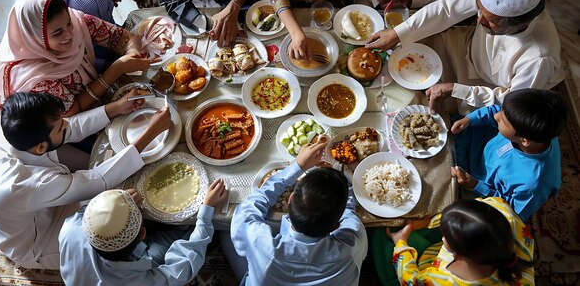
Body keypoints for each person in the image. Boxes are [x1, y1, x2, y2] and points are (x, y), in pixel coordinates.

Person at [0, 92, 171, 269]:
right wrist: (149, 134)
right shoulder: (23, 185)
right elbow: (97, 181)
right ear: (41, 147)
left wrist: (115, 108)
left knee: (111, 171)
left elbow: (68, 127)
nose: (66, 124)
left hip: (32, 203)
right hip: (40, 241)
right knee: (120, 216)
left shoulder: (14, 123)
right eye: (61, 127)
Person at [367, 0, 563, 115]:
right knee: (400, 55)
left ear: (517, 25)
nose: (478, 21)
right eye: (479, 12)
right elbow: (448, 9)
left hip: (488, 87)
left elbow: (513, 101)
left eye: (489, 21)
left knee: (419, 108)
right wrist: (398, 33)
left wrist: (456, 89)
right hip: (463, 48)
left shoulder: (539, 58)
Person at [229, 136, 368, 285]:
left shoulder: (261, 245)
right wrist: (337, 181)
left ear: (290, 199)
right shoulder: (353, 246)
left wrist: (297, 166)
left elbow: (248, 208)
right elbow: (349, 212)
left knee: (225, 232)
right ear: (336, 226)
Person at [0, 0, 157, 116]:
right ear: (35, 38)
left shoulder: (77, 22)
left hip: (97, 85)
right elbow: (74, 110)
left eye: (68, 24)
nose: (69, 35)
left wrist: (133, 53)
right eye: (57, 33)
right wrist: (117, 69)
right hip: (72, 124)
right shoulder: (33, 79)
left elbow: (123, 38)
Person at [59, 181, 229, 285]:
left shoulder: (70, 230)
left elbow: (88, 212)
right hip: (134, 274)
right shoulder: (141, 283)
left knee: (166, 240)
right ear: (143, 234)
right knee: (194, 234)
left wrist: (117, 203)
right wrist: (207, 210)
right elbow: (186, 263)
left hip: (121, 267)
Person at [450, 89, 568, 220]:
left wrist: (475, 186)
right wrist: (470, 119)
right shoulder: (533, 129)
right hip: (483, 149)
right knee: (448, 127)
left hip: (484, 185)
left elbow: (510, 211)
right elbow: (497, 112)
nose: (496, 116)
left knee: (456, 209)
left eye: (503, 122)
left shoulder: (533, 184)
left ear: (524, 140)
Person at [385, 197, 535, 285]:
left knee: (381, 243)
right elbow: (465, 214)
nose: (443, 237)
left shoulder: (439, 281)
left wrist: (401, 243)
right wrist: (429, 222)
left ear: (458, 255)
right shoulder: (501, 209)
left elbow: (410, 280)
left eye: (445, 236)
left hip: (431, 265)